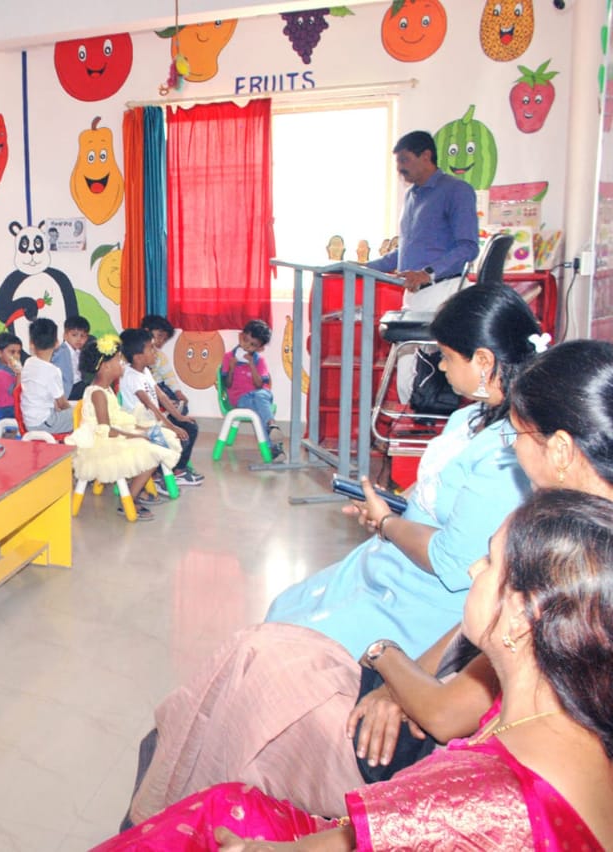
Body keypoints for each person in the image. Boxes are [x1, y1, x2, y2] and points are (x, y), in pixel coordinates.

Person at [125, 337, 613, 825]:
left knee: (242, 690)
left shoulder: (565, 560)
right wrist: (399, 681)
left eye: (518, 435)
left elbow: (447, 710)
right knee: (250, 659)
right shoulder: (567, 536)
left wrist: (385, 658)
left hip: (422, 752)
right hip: (423, 695)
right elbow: (467, 647)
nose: (510, 446)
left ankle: (172, 818)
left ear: (561, 449)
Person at [102, 490, 613, 851]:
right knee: (261, 658)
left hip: (391, 786)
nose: (473, 569)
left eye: (490, 563)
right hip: (387, 795)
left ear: (523, 615)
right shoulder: (560, 704)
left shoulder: (481, 797)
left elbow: (401, 820)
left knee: (214, 801)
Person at [266, 285, 539, 658]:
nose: (441, 367)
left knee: (287, 648)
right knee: (283, 610)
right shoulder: (469, 417)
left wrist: (388, 523)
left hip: (425, 599)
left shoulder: (508, 457)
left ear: (483, 360)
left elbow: (450, 562)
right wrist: (390, 504)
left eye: (446, 356)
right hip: (394, 564)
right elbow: (433, 487)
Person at [367, 130, 479, 402]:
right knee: (407, 369)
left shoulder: (456, 191)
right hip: (415, 293)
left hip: (443, 290)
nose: (400, 169)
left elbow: (468, 247)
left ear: (426, 156)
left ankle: (426, 420)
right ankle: (412, 421)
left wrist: (427, 274)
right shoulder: (412, 196)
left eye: (405, 160)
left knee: (431, 372)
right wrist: (363, 266)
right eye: (397, 163)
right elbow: (404, 252)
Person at [65, 335, 179, 521]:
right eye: (118, 360)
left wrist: (140, 429)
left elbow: (117, 420)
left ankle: (136, 491)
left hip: (113, 434)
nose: (123, 364)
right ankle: (130, 499)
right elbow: (106, 430)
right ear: (105, 366)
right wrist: (138, 435)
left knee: (159, 437)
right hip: (101, 443)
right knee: (152, 450)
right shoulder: (98, 394)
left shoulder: (107, 389)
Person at [120, 328, 198, 486]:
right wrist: (171, 427)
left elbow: (161, 396)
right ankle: (159, 476)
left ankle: (177, 470)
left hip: (153, 420)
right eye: (151, 348)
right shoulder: (131, 376)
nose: (155, 352)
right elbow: (150, 406)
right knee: (177, 439)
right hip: (140, 424)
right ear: (138, 357)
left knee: (190, 427)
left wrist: (180, 417)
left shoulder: (145, 371)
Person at [140, 314, 201, 478]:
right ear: (147, 331)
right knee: (180, 425)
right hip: (150, 399)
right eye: (159, 336)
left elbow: (169, 377)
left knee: (185, 416)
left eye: (164, 339)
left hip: (160, 389)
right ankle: (163, 470)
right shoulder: (134, 367)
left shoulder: (160, 357)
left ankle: (178, 467)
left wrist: (178, 394)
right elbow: (146, 395)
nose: (160, 342)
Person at [220, 319, 283, 460]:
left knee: (260, 396)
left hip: (261, 396)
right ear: (240, 336)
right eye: (245, 340)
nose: (247, 346)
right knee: (259, 412)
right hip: (241, 399)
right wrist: (231, 368)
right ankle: (273, 437)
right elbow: (227, 385)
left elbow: (260, 385)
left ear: (260, 348)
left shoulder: (259, 361)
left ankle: (272, 430)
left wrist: (252, 365)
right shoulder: (228, 357)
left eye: (253, 345)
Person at [20, 318, 73, 434]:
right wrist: (72, 412)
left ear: (31, 344)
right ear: (57, 343)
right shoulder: (52, 371)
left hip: (29, 422)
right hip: (45, 423)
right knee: (85, 413)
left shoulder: (29, 362)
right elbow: (62, 404)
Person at [51, 315, 89, 400]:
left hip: (78, 385)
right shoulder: (60, 351)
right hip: (67, 390)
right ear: (65, 335)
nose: (79, 339)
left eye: (82, 336)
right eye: (74, 335)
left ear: (87, 337)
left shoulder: (80, 351)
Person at [0, 331, 22, 416]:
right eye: (12, 352)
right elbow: (16, 394)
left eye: (18, 352)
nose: (16, 356)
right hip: (9, 410)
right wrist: (19, 374)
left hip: (16, 407)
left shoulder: (11, 370)